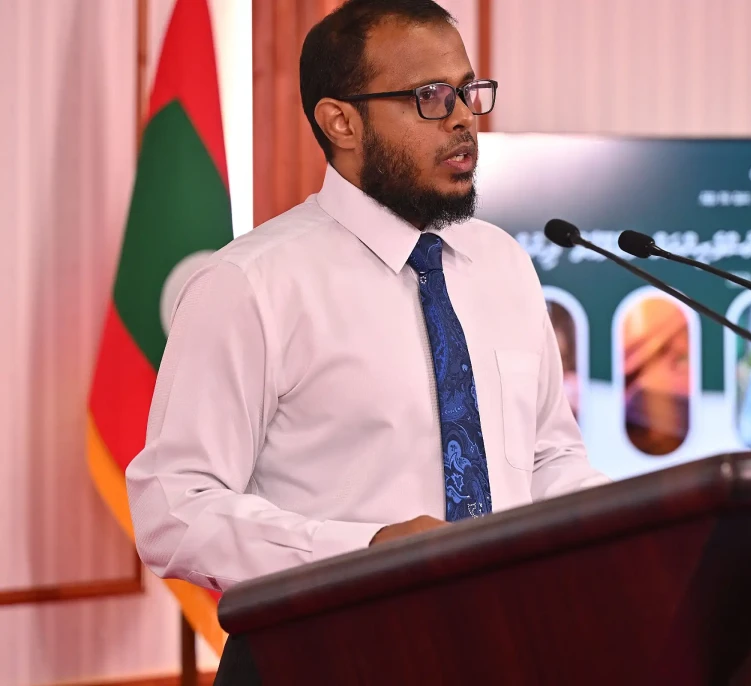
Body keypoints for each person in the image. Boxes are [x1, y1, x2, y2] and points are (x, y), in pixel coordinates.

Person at [123, 1, 608, 682]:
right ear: (341, 122)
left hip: (498, 646)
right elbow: (173, 507)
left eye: (468, 90)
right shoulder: (251, 285)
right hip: (322, 656)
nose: (464, 119)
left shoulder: (503, 262)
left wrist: (622, 526)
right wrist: (365, 551)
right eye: (431, 97)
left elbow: (548, 454)